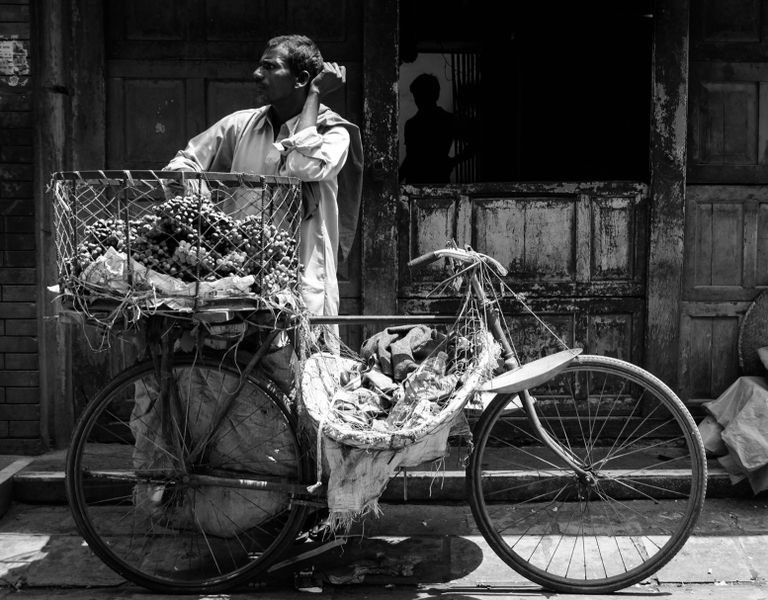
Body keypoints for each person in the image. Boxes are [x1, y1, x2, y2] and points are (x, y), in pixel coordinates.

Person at [164, 34, 364, 389]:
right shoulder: (241, 126)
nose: (257, 74)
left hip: (301, 285)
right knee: (232, 382)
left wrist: (315, 97)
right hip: (239, 281)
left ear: (301, 79)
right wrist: (195, 192)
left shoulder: (333, 133)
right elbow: (184, 161)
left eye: (270, 67)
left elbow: (303, 165)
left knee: (304, 389)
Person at [399, 73, 461, 184]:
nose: (417, 100)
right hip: (437, 181)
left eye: (419, 95)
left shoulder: (413, 124)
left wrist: (397, 180)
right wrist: (452, 162)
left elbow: (410, 159)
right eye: (417, 95)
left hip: (418, 182)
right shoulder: (448, 120)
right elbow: (411, 158)